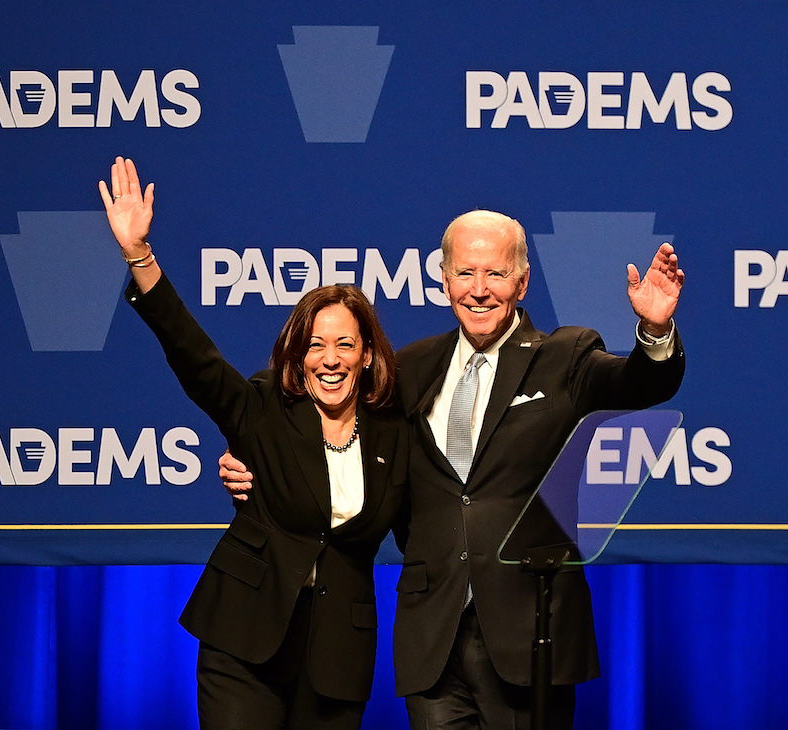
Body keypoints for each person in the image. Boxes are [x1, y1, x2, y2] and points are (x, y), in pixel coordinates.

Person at [221, 209, 685, 729]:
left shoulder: (565, 356)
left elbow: (640, 385)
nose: (479, 290)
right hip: (432, 635)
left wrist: (655, 330)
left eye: (495, 273)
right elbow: (336, 421)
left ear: (522, 282)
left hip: (527, 631)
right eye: (465, 273)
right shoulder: (411, 367)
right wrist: (253, 456)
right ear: (444, 281)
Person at [100, 156, 410, 730]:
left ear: (367, 355)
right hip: (244, 642)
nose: (331, 359)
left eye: (345, 344)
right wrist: (140, 257)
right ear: (300, 354)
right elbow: (196, 360)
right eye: (316, 346)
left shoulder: (397, 433)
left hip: (337, 658)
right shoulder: (266, 408)